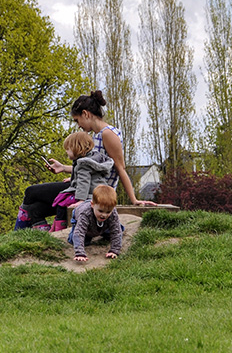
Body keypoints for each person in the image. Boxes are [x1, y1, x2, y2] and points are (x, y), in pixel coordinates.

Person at [14, 90, 155, 230]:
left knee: (31, 192)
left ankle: (20, 232)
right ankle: (35, 234)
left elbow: (120, 168)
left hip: (94, 190)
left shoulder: (108, 134)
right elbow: (90, 166)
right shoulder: (96, 135)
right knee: (36, 209)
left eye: (77, 120)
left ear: (86, 114)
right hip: (85, 185)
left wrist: (134, 200)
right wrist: (64, 168)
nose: (78, 125)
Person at [50, 131, 113, 231]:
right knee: (63, 199)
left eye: (68, 149)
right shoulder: (93, 158)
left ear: (77, 148)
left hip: (89, 195)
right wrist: (73, 179)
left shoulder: (83, 163)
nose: (66, 151)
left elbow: (84, 182)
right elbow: (89, 177)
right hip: (98, 193)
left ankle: (59, 229)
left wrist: (81, 201)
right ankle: (55, 226)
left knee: (62, 202)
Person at [69, 184, 123, 263]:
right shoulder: (85, 214)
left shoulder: (113, 213)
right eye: (101, 211)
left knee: (118, 230)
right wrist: (80, 253)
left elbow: (116, 231)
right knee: (78, 240)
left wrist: (114, 250)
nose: (104, 215)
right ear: (92, 205)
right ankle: (82, 235)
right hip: (83, 218)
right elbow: (79, 233)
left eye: (108, 212)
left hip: (103, 223)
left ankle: (102, 231)